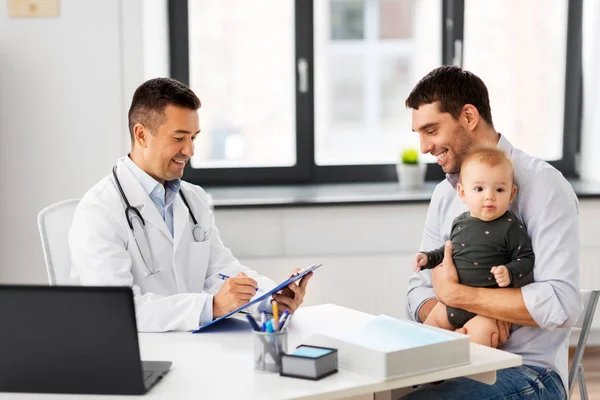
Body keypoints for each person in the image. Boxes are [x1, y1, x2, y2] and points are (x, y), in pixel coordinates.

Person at [69, 77, 312, 332]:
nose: (190, 150)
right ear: (141, 134)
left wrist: (270, 299)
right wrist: (212, 307)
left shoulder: (193, 198)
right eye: (179, 138)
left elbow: (220, 271)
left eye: (194, 138)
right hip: (138, 354)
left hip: (192, 344)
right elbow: (116, 309)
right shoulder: (99, 211)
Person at [403, 66, 581, 399]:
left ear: (468, 116)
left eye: (431, 130)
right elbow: (417, 290)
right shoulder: (447, 193)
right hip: (451, 359)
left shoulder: (543, 186)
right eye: (419, 134)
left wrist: (458, 297)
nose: (425, 147)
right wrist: (453, 322)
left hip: (526, 369)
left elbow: (560, 303)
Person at [414, 146, 535, 347]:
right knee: (425, 343)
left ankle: (464, 376)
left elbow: (526, 258)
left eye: (499, 189)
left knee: (476, 352)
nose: (489, 196)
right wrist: (428, 258)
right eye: (479, 189)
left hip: (486, 312)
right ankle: (433, 378)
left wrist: (510, 271)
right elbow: (448, 251)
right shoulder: (460, 222)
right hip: (448, 306)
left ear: (512, 194)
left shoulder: (511, 227)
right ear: (463, 193)